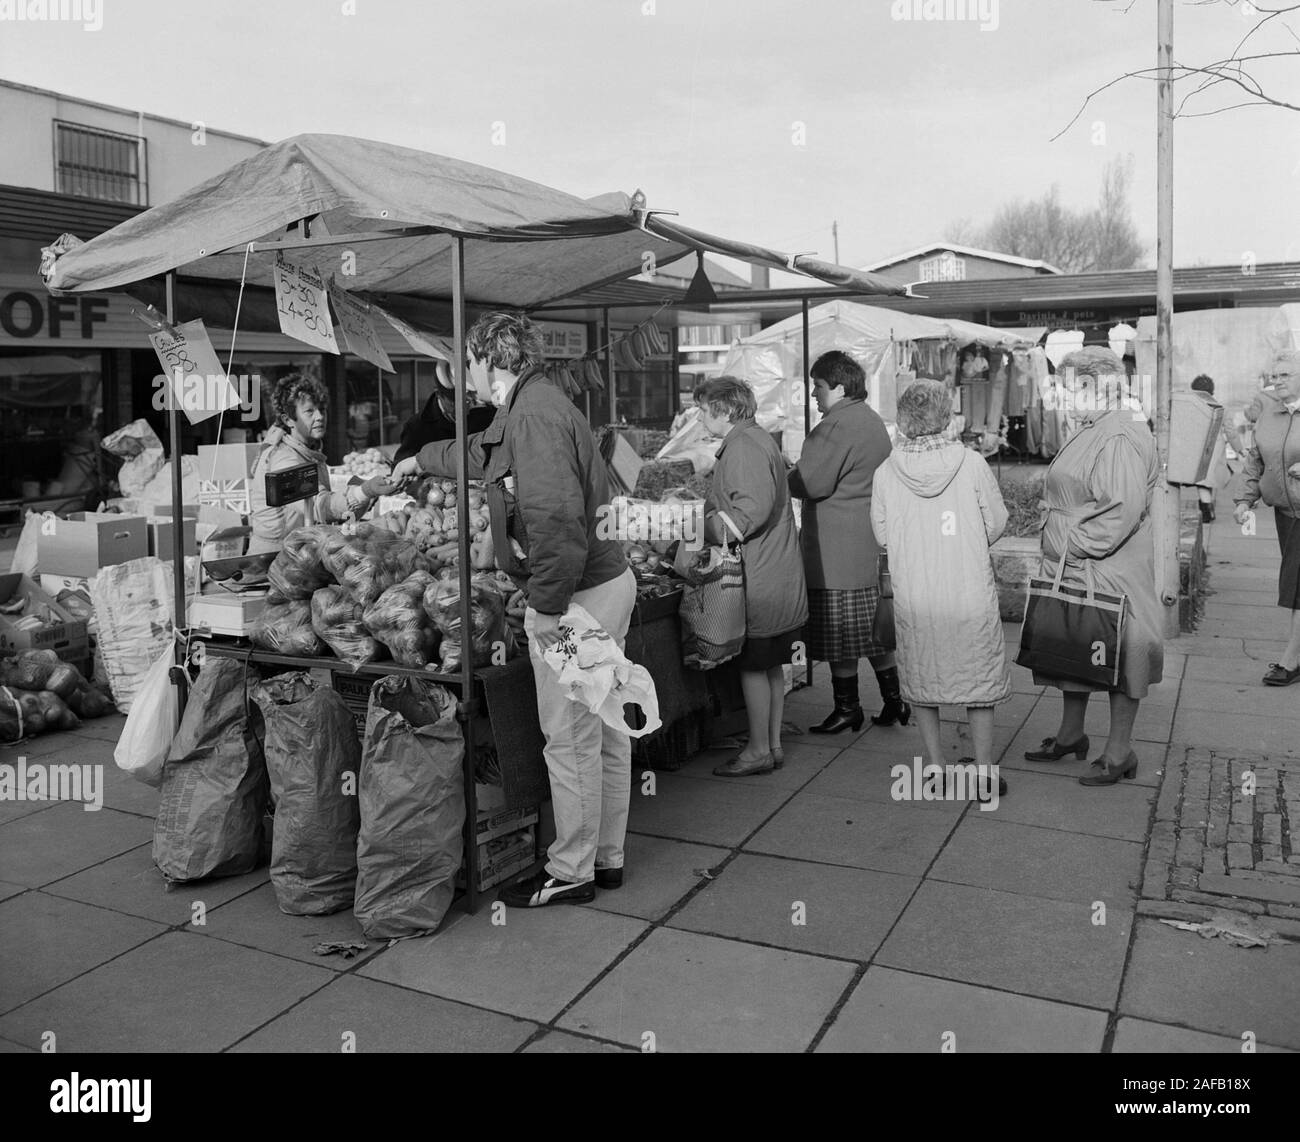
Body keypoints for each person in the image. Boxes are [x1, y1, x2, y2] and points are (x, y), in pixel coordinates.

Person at [391, 312, 634, 908]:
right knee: (602, 726)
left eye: (466, 364)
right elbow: (484, 451)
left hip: (578, 598)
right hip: (596, 587)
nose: (462, 376)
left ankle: (572, 870)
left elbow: (557, 527)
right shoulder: (529, 405)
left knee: (570, 733)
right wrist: (422, 459)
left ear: (488, 359)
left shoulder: (535, 414)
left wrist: (547, 609)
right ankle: (605, 857)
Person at [1025, 346, 1164, 785]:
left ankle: (1119, 751)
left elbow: (1119, 511)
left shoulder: (1118, 433)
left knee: (1124, 651)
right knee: (1077, 643)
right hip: (1085, 560)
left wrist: (1072, 547)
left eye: (1066, 387)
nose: (1062, 396)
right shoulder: (1101, 425)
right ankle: (1071, 735)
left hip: (1105, 565)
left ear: (1092, 385)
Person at [871, 380, 1011, 794]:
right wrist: (967, 542)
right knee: (977, 677)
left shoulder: (886, 472)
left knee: (922, 674)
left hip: (917, 588)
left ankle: (935, 769)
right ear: (945, 415)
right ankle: (984, 771)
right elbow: (997, 521)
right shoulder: (971, 464)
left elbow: (881, 535)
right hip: (966, 585)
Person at [694, 376, 808, 777]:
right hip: (774, 571)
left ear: (723, 410)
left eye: (703, 410)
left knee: (753, 665)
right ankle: (771, 745)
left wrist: (700, 524)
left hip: (761, 575)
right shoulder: (757, 439)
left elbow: (746, 515)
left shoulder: (742, 447)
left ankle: (758, 749)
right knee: (772, 664)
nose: (700, 417)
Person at [787, 350, 906, 734]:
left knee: (840, 636)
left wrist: (785, 472)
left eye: (818, 386)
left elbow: (811, 482)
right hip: (866, 543)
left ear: (838, 387)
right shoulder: (870, 420)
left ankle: (847, 709)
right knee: (872, 633)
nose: (814, 395)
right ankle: (894, 701)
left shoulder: (834, 426)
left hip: (835, 549)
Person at [247, 373, 396, 557]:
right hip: (274, 558)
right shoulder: (283, 459)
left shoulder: (309, 451)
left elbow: (331, 513)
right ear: (288, 420)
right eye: (309, 411)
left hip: (299, 551)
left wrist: (363, 492)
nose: (320, 417)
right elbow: (319, 506)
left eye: (322, 409)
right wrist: (364, 491)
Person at [1231, 348, 1300, 686]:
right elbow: (1256, 460)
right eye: (1275, 375)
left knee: (1298, 585)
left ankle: (1292, 659)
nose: (1277, 381)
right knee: (1294, 583)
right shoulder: (1270, 413)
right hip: (1287, 513)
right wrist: (1245, 500)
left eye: (1285, 375)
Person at [394, 386, 495, 465]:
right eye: (453, 402)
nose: (461, 407)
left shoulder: (485, 414)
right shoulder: (416, 426)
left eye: (466, 401)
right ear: (438, 394)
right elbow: (402, 465)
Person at [1190, 374, 1226, 523]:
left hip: (1201, 447)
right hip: (1216, 447)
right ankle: (1207, 506)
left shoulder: (1193, 407)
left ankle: (1206, 511)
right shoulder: (1220, 406)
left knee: (1202, 481)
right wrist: (1239, 449)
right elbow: (1230, 430)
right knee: (1208, 480)